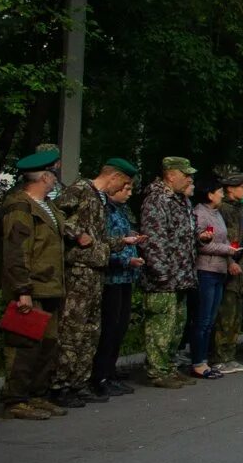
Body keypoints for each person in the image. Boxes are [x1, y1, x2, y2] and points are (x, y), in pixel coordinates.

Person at [50, 159, 131, 406]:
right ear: (114, 176)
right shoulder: (81, 189)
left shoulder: (99, 198)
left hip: (97, 270)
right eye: (124, 183)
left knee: (90, 330)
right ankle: (60, 385)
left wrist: (122, 242)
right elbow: (55, 214)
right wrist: (76, 234)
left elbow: (99, 236)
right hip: (79, 270)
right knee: (72, 330)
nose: (123, 188)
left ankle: (79, 382)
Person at [0, 147, 69, 420]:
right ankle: (15, 400)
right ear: (43, 177)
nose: (55, 178)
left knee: (47, 345)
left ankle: (37, 395)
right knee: (24, 346)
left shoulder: (48, 207)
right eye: (53, 173)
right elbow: (15, 251)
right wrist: (22, 290)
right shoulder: (19, 206)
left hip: (50, 286)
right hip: (30, 288)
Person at [138, 157, 200, 389]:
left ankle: (169, 366)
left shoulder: (182, 201)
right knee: (161, 327)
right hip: (163, 279)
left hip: (182, 276)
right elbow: (154, 241)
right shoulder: (157, 199)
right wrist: (161, 274)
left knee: (176, 326)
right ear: (170, 175)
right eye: (186, 175)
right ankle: (157, 370)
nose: (190, 179)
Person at [92, 166, 144, 395]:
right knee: (109, 329)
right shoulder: (104, 211)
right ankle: (100, 376)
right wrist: (125, 261)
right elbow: (104, 246)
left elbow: (122, 240)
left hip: (124, 278)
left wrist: (134, 242)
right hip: (111, 278)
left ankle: (110, 372)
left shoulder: (121, 211)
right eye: (126, 188)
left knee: (120, 327)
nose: (129, 192)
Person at [188, 174, 237, 379]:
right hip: (205, 270)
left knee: (210, 320)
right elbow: (202, 243)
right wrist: (227, 249)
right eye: (219, 192)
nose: (222, 195)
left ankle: (204, 360)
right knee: (203, 318)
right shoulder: (200, 213)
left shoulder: (217, 213)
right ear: (210, 194)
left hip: (219, 270)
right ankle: (197, 362)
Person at [210, 168, 243, 374]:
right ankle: (220, 356)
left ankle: (230, 353)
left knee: (236, 312)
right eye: (242, 187)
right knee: (225, 313)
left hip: (240, 262)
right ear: (230, 189)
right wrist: (229, 261)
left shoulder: (238, 208)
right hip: (228, 265)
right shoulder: (224, 209)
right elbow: (221, 238)